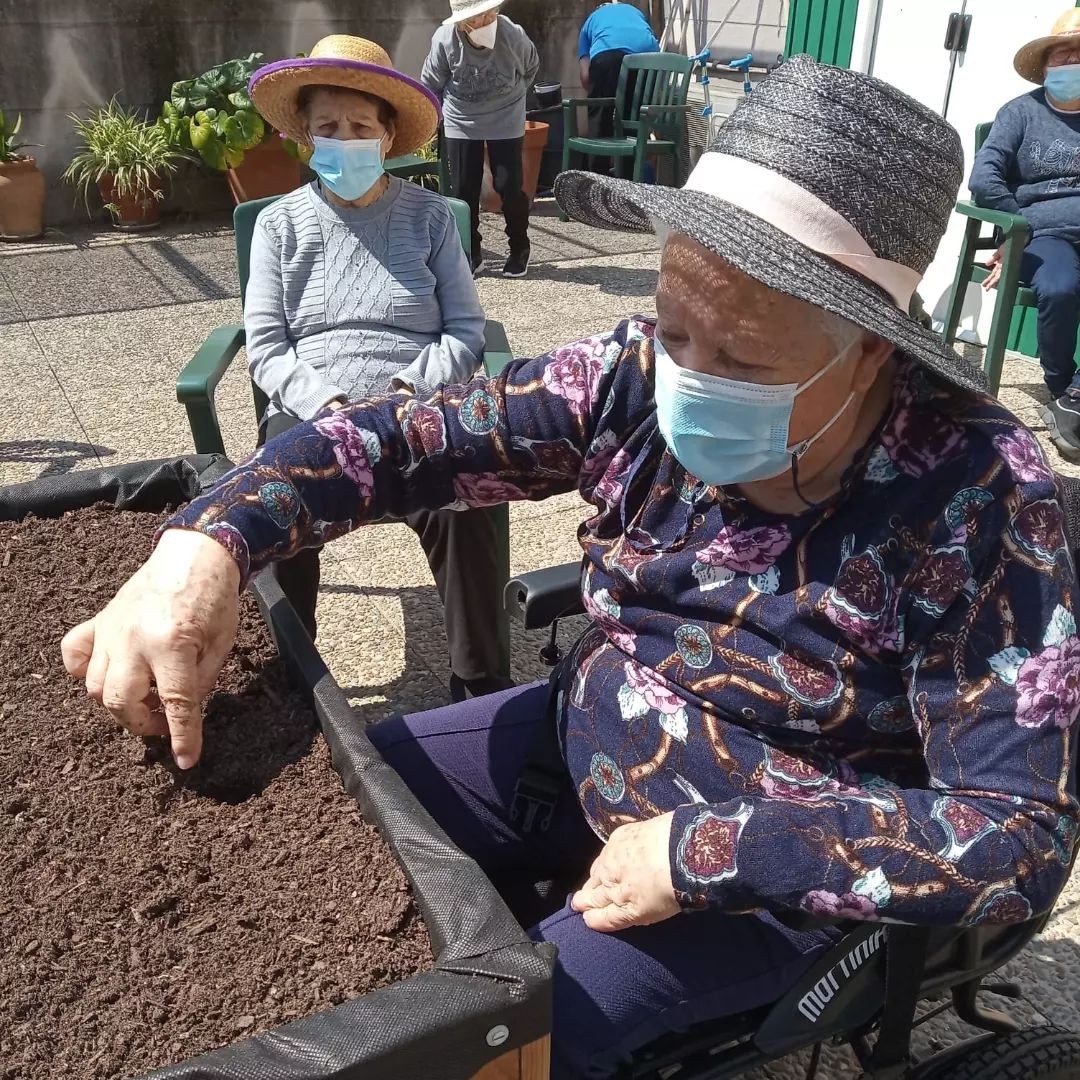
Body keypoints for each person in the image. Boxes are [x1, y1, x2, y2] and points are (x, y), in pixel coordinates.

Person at [62, 59, 1080, 1078]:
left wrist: (705, 851)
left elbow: (1018, 834)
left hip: (772, 874)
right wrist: (207, 543)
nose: (690, 380)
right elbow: (403, 441)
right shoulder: (634, 375)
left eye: (743, 360)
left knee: (481, 1046)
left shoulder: (979, 495)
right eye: (675, 330)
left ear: (869, 352)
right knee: (332, 809)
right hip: (580, 737)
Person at [242, 36, 512, 699]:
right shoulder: (279, 226)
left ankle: (478, 689)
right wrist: (326, 403)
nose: (344, 141)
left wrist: (406, 391)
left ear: (389, 137)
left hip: (413, 405)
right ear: (305, 136)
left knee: (466, 490)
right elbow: (266, 345)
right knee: (278, 492)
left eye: (361, 127)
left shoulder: (430, 217)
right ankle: (294, 683)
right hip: (313, 412)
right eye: (328, 127)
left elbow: (466, 328)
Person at [971, 8, 1080, 460]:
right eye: (1061, 54)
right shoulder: (1020, 112)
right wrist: (1016, 230)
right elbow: (984, 178)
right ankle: (1061, 387)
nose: (1071, 62)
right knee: (1060, 287)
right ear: (1046, 64)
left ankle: (1076, 392)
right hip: (1044, 234)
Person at [422, 0, 540, 278]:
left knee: (508, 184)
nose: (486, 20)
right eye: (478, 17)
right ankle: (471, 252)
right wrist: (433, 119)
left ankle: (519, 247)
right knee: (464, 188)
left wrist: (511, 99)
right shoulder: (445, 39)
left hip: (506, 115)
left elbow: (531, 67)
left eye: (489, 13)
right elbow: (431, 82)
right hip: (461, 117)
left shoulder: (513, 35)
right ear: (463, 23)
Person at [578, 0, 661, 174]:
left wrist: (598, 95)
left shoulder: (590, 21)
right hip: (648, 59)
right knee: (633, 121)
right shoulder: (634, 11)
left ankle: (597, 178)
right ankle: (628, 179)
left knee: (599, 120)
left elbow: (585, 76)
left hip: (608, 57)